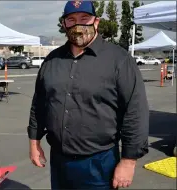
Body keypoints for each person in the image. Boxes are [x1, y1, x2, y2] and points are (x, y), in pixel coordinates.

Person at [27, 1, 149, 189]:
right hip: (59, 162)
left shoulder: (119, 60)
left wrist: (128, 161)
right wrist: (34, 143)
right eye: (71, 20)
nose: (78, 25)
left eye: (84, 19)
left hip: (99, 164)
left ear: (96, 22)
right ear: (64, 24)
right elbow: (39, 104)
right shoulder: (52, 61)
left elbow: (135, 111)